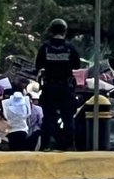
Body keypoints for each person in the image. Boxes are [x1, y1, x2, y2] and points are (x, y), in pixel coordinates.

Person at [35, 18, 81, 151]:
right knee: (68, 118)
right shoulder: (70, 47)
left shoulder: (45, 47)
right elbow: (77, 65)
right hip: (66, 87)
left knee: (48, 118)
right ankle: (69, 146)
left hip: (50, 87)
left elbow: (38, 65)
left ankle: (45, 145)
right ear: (65, 31)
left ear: (51, 31)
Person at [2, 79, 33, 151]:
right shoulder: (26, 100)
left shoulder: (5, 102)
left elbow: (5, 116)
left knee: (13, 150)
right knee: (22, 150)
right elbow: (29, 114)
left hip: (11, 129)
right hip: (23, 128)